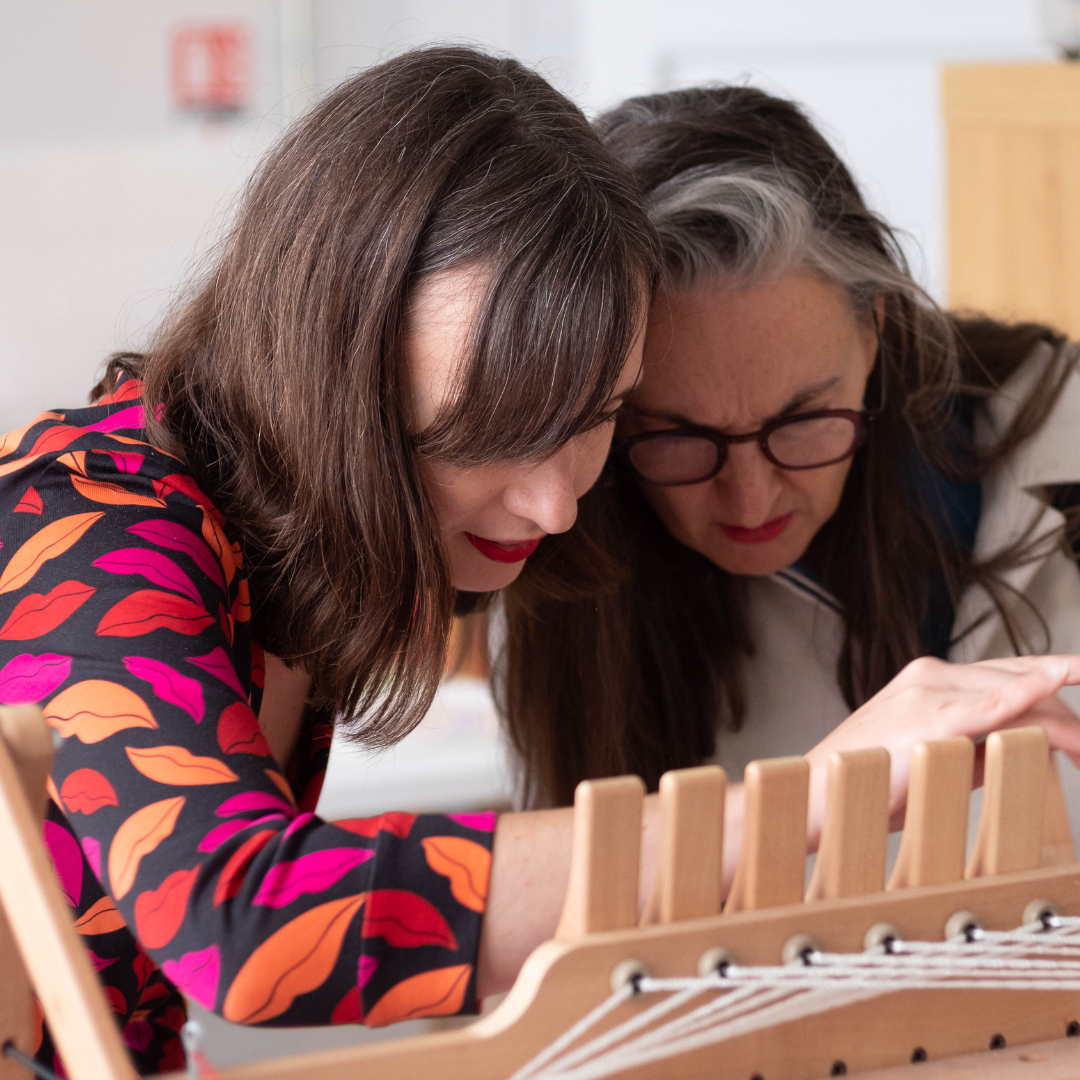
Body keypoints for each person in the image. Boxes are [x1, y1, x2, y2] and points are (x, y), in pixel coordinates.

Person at [2, 56, 1076, 1077]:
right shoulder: (85, 517)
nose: (555, 504)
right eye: (485, 434)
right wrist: (818, 797)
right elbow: (243, 922)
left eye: (596, 420)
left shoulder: (288, 536)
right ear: (338, 379)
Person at [497, 84, 1080, 851]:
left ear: (874, 332)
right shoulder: (558, 567)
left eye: (803, 421)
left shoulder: (1058, 435)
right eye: (677, 435)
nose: (750, 498)